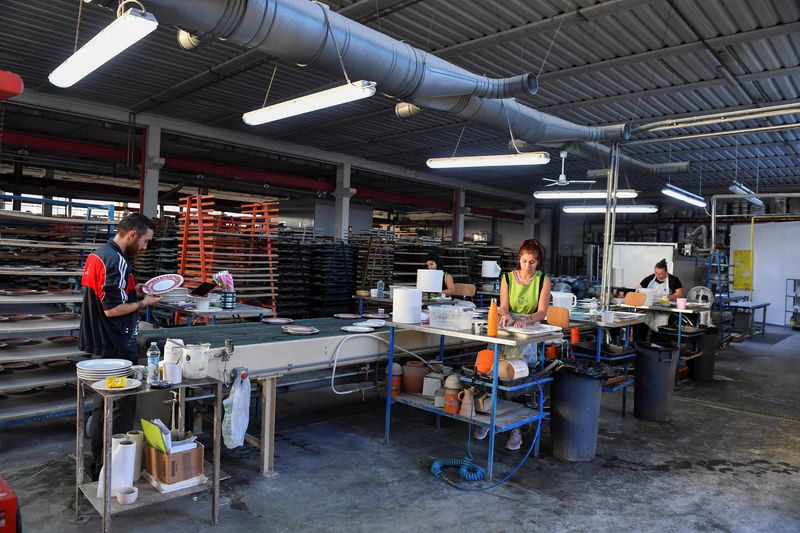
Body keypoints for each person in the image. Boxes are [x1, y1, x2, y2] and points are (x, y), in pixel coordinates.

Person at [79, 213, 162, 478]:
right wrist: (143, 304)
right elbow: (112, 309)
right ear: (133, 235)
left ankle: (99, 467)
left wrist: (136, 290)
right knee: (119, 410)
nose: (145, 248)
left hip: (100, 346)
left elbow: (110, 292)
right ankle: (113, 471)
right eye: (146, 241)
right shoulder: (116, 261)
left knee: (103, 407)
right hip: (115, 348)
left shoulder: (99, 255)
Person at [474, 238, 551, 450]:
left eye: (533, 262)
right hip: (507, 328)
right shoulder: (508, 277)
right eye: (525, 261)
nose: (528, 266)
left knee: (518, 378)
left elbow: (543, 311)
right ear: (519, 259)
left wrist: (526, 319)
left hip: (528, 328)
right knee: (493, 371)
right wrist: (506, 315)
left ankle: (515, 430)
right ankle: (488, 418)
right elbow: (503, 306)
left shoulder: (543, 279)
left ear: (538, 262)